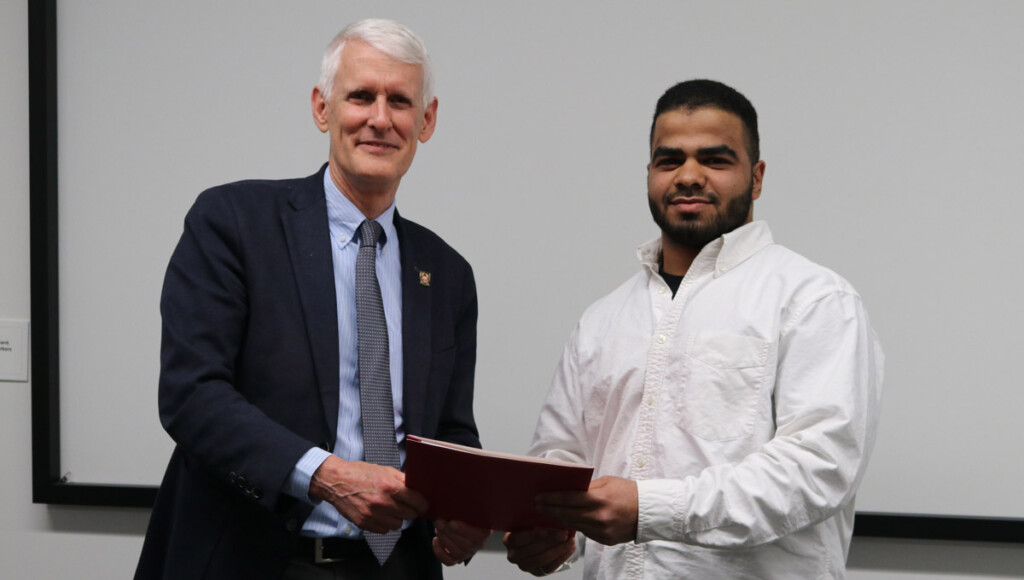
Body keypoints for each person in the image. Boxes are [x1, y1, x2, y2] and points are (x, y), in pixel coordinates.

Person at [136, 18, 490, 580]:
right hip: (250, 562)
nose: (380, 118)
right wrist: (326, 476)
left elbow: (451, 433)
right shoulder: (233, 223)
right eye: (361, 96)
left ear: (427, 121)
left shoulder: (447, 274)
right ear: (322, 108)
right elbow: (192, 394)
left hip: (396, 568)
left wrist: (464, 508)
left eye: (400, 101)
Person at [504, 79, 883, 579]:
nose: (688, 176)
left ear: (758, 177)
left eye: (715, 159)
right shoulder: (602, 320)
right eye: (669, 160)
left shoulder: (814, 300)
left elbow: (818, 468)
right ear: (649, 174)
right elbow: (561, 458)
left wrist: (650, 508)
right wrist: (552, 532)